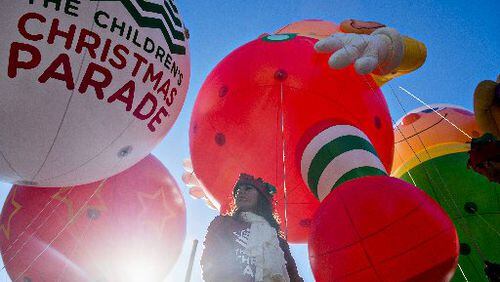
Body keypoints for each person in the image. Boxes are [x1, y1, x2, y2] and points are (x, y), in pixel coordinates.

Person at [200, 173, 303, 282]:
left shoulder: (277, 241)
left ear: (261, 198)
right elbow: (210, 261)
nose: (240, 192)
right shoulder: (222, 223)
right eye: (238, 190)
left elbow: (293, 276)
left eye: (248, 188)